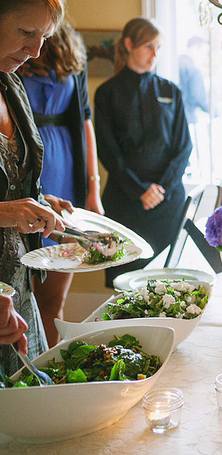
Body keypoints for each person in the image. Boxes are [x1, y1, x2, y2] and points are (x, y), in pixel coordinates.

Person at [18, 21, 103, 347]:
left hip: (65, 170)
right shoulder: (11, 47)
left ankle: (49, 373)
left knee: (53, 299)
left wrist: (92, 189)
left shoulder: (70, 44)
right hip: (24, 163)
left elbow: (85, 122)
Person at [0, 0, 70, 375]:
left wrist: (39, 201)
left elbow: (12, 180)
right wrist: (5, 212)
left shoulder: (11, 85)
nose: (36, 51)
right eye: (27, 31)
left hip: (17, 285)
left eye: (44, 37)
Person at [95, 18, 192, 287]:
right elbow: (108, 151)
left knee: (168, 285)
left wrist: (161, 188)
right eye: (149, 46)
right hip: (125, 204)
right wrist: (139, 190)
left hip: (167, 203)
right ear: (128, 44)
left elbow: (184, 147)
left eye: (158, 48)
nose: (155, 55)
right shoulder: (107, 93)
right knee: (124, 287)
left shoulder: (171, 91)